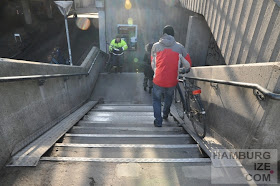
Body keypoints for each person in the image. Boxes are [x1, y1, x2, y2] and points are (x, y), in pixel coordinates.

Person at [151, 25, 192, 127]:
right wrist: (182, 69)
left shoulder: (155, 46)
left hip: (158, 79)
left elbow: (153, 63)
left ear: (163, 34)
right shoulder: (180, 47)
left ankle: (158, 121)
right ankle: (165, 114)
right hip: (172, 80)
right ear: (173, 34)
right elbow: (188, 63)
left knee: (156, 99)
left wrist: (157, 72)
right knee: (169, 97)